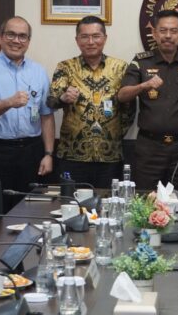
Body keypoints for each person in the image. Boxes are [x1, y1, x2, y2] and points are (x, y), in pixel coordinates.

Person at [0, 17, 54, 208]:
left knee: (31, 208)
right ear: (1, 37)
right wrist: (9, 102)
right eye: (11, 34)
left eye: (22, 36)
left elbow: (46, 115)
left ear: (28, 41)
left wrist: (48, 153)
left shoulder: (39, 71)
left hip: (31, 152)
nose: (16, 41)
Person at [118, 9, 178, 189]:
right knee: (146, 200)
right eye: (163, 31)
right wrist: (143, 86)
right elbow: (122, 95)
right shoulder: (141, 62)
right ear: (155, 34)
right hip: (149, 147)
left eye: (173, 31)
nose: (168, 36)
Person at [47, 16, 134, 188]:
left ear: (105, 38)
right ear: (77, 40)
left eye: (96, 36)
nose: (91, 41)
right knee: (72, 206)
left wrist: (112, 134)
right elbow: (51, 101)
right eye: (85, 37)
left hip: (110, 155)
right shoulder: (65, 67)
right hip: (72, 155)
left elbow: (129, 109)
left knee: (109, 206)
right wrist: (63, 98)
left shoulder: (120, 67)